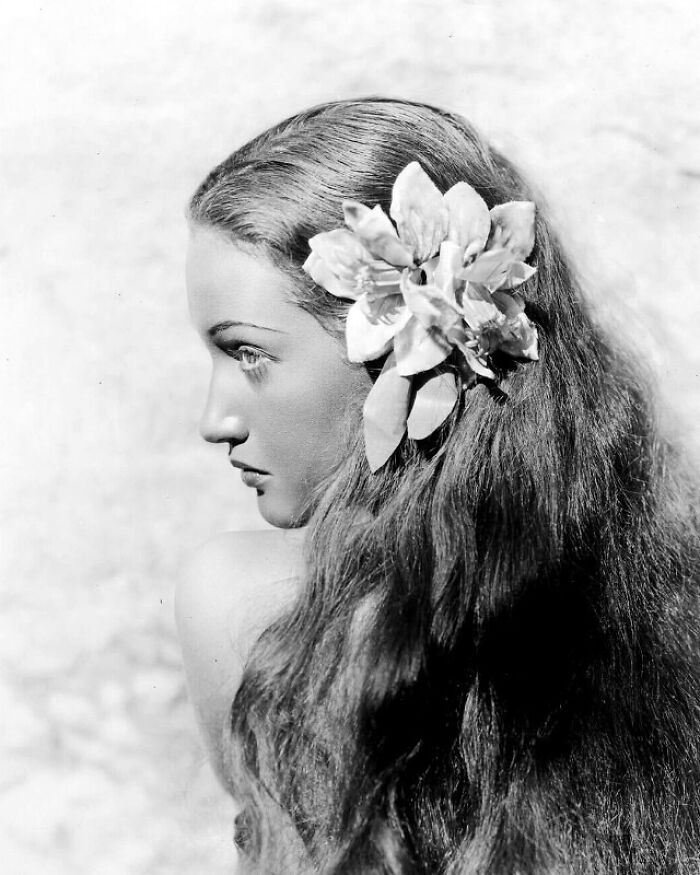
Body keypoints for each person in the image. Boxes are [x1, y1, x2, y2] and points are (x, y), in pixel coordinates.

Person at [176, 98, 700, 873]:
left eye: (249, 353)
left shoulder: (242, 604)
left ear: (398, 350)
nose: (216, 419)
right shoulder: (660, 602)